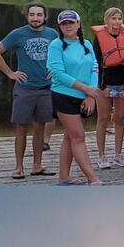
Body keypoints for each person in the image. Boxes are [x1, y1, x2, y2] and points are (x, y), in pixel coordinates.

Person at [0, 2, 59, 179]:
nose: (35, 18)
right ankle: (18, 167)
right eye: (32, 15)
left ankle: (37, 166)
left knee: (40, 128)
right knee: (21, 128)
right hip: (24, 88)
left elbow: (60, 54)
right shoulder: (18, 34)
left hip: (45, 88)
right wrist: (10, 73)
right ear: (27, 16)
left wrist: (56, 69)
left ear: (45, 17)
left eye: (39, 15)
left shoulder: (52, 34)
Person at [47, 10, 103, 185]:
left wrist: (91, 94)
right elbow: (57, 73)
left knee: (69, 136)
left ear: (78, 24)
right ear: (60, 27)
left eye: (71, 22)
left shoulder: (85, 43)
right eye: (64, 24)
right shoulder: (56, 45)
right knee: (78, 137)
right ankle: (92, 177)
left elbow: (94, 68)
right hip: (64, 95)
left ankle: (64, 176)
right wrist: (85, 88)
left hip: (85, 96)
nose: (68, 26)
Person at [92, 8, 124, 169]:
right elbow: (96, 64)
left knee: (119, 119)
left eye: (119, 18)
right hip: (104, 85)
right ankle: (102, 156)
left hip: (122, 84)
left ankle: (118, 155)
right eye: (113, 18)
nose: (117, 22)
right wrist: (102, 87)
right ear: (107, 21)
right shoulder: (98, 39)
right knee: (102, 119)